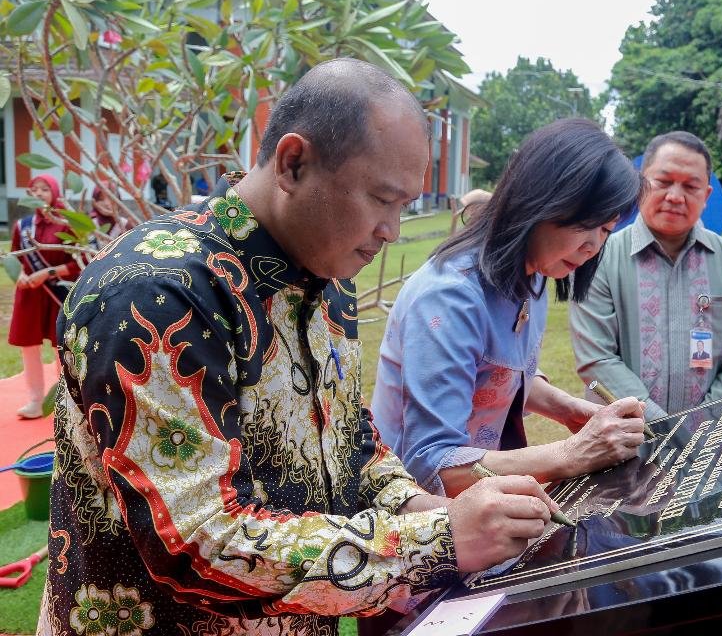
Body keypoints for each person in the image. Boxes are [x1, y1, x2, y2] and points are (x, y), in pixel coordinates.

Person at [42, 59, 563, 634]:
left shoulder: (326, 280)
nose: (393, 230)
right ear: (294, 164)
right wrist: (440, 538)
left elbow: (354, 447)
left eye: (404, 205)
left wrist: (441, 511)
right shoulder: (155, 294)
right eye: (381, 199)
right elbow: (195, 539)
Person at [371, 118, 647, 498]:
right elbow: (430, 463)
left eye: (606, 230)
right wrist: (573, 453)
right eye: (587, 224)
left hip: (481, 513)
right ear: (541, 198)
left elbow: (498, 376)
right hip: (416, 524)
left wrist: (568, 409)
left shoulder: (532, 278)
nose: (593, 247)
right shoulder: (449, 299)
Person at [570, 131, 722, 423]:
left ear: (706, 195)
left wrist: (704, 422)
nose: (675, 196)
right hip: (622, 435)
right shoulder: (597, 257)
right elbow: (597, 359)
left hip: (711, 437)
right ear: (640, 182)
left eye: (690, 186)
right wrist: (663, 426)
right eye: (663, 181)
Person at [8, 174, 80, 419]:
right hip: (30, 294)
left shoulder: (67, 224)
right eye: (34, 190)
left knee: (60, 346)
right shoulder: (22, 226)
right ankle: (36, 400)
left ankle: (65, 401)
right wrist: (19, 275)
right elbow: (15, 257)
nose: (38, 194)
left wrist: (47, 272)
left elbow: (79, 263)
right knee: (29, 347)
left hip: (56, 294)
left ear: (55, 193)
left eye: (44, 189)